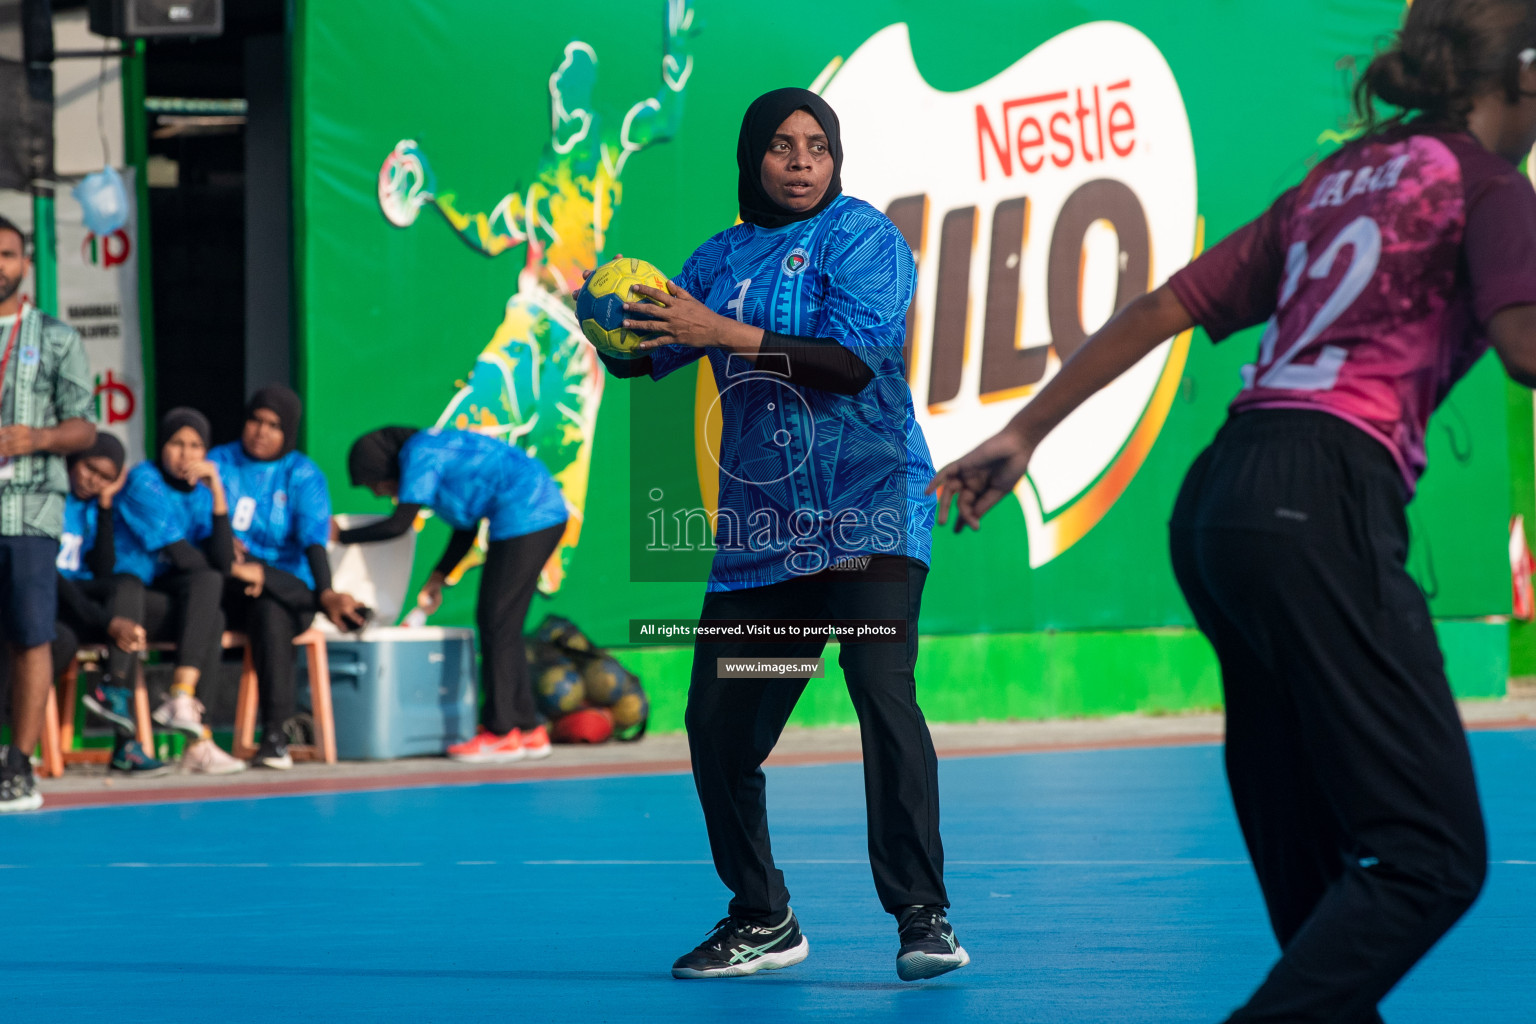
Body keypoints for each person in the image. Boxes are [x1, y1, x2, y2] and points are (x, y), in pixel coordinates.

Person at [930, 2, 1536, 1018]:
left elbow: (1167, 304)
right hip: (1324, 495)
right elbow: (1523, 345)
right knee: (1434, 854)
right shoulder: (1490, 188)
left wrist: (1025, 430)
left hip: (1221, 504)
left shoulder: (1336, 182)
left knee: (1302, 829)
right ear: (1521, 74)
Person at [597, 89, 966, 982]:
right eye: (780, 146)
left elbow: (851, 364)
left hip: (871, 509)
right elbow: (651, 355)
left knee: (880, 685)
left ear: (836, 159)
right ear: (751, 159)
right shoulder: (721, 256)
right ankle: (762, 916)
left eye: (816, 146)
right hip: (764, 540)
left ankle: (923, 916)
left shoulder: (863, 237)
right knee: (720, 727)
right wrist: (610, 319)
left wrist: (717, 329)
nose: (801, 161)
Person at [339, 426, 567, 763]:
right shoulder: (433, 450)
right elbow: (466, 528)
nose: (378, 493)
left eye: (375, 483)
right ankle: (527, 729)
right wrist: (437, 578)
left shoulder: (419, 453)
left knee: (496, 623)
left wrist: (340, 534)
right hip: (540, 511)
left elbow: (398, 524)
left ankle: (501, 733)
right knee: (504, 626)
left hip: (527, 513)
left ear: (384, 467)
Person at [210, 385, 366, 769]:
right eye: (255, 420)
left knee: (271, 611)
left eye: (273, 425)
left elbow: (314, 542)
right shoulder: (219, 463)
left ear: (288, 432)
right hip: (227, 587)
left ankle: (275, 735)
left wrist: (321, 586)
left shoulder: (302, 474)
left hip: (288, 594)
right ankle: (198, 735)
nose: (261, 431)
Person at [0, 215, 98, 812]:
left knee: (31, 632)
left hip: (30, 508)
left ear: (24, 264)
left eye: (7, 255)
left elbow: (85, 425)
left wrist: (34, 439)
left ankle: (20, 764)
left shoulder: (55, 337)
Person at [113, 408, 244, 774]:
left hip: (168, 602)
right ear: (162, 446)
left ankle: (193, 728)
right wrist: (219, 559)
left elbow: (219, 563)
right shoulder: (144, 481)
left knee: (214, 615)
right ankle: (187, 713)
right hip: (129, 602)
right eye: (177, 443)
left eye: (195, 446)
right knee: (208, 587)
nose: (186, 455)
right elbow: (185, 558)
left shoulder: (201, 493)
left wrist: (218, 493)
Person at [54, 431, 168, 774]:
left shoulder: (93, 508)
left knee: (128, 586)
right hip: (48, 595)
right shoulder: (51, 499)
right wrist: (107, 622)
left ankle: (115, 694)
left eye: (106, 477)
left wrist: (104, 507)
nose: (94, 481)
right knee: (105, 626)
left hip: (80, 597)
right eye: (90, 469)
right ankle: (123, 740)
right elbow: (49, 575)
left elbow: (103, 569)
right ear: (75, 460)